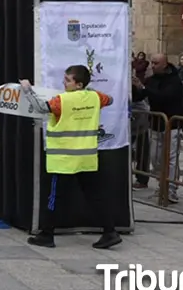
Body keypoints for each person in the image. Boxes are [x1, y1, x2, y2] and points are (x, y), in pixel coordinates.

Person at [19, 64, 121, 250]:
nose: (63, 83)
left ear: (78, 84)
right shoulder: (95, 97)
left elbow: (41, 108)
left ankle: (47, 234)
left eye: (67, 80)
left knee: (55, 198)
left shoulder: (62, 101)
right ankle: (110, 231)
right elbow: (111, 100)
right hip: (87, 157)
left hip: (64, 159)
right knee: (94, 196)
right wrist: (87, 94)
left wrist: (27, 89)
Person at [131, 53, 183, 203]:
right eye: (152, 63)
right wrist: (135, 88)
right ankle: (161, 184)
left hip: (172, 124)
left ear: (165, 64)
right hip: (155, 124)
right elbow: (142, 95)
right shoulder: (152, 80)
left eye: (156, 63)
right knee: (156, 158)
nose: (153, 66)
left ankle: (171, 189)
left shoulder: (174, 80)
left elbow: (164, 97)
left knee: (171, 158)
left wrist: (143, 88)